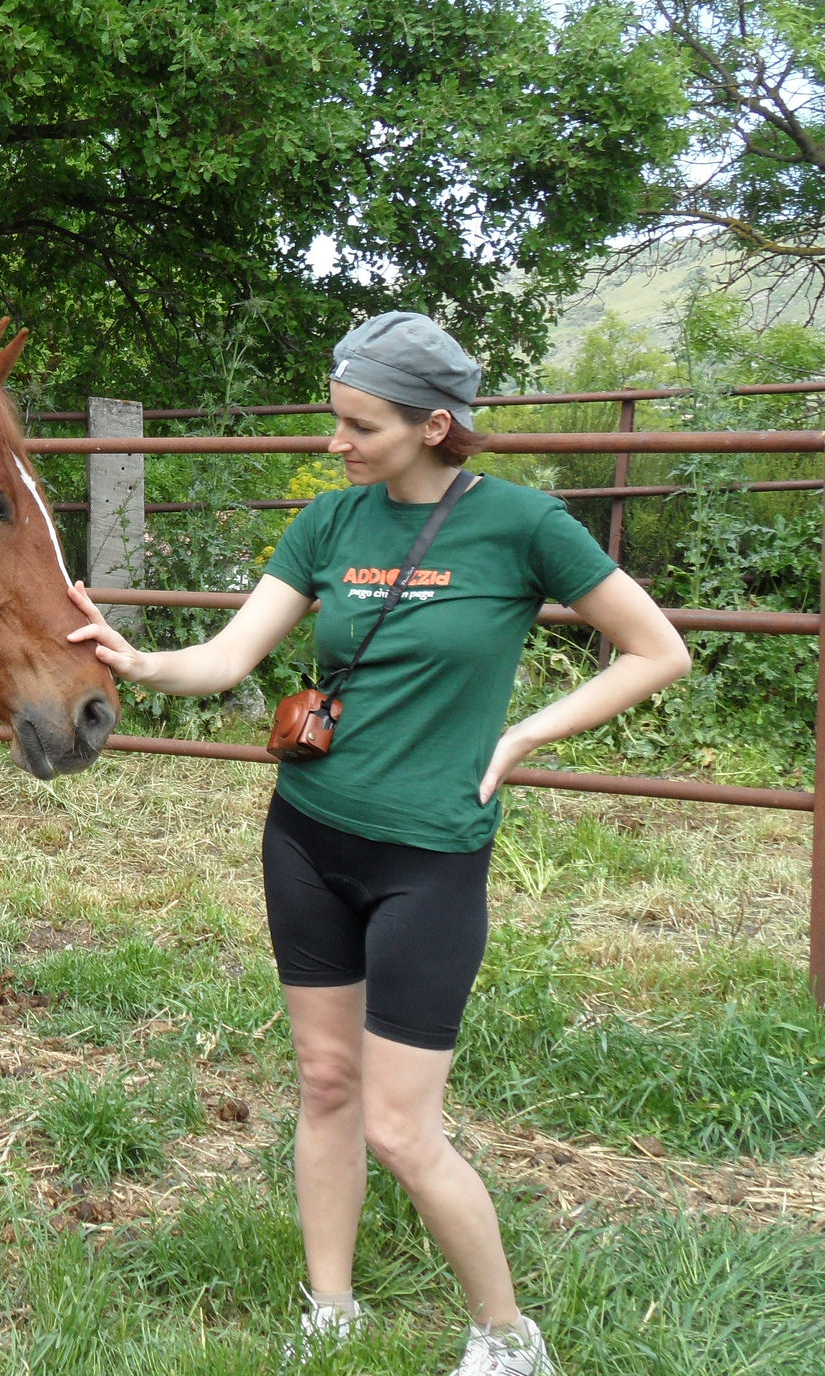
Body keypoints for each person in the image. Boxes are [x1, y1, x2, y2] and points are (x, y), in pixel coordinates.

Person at [66, 312, 691, 1376]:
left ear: (431, 424)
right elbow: (224, 660)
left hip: (430, 858)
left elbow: (654, 650)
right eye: (334, 420)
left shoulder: (524, 527)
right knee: (321, 1080)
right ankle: (330, 1307)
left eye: (357, 424)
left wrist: (526, 734)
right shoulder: (328, 526)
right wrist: (134, 660)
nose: (335, 443)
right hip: (308, 836)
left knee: (401, 1129)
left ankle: (506, 1337)